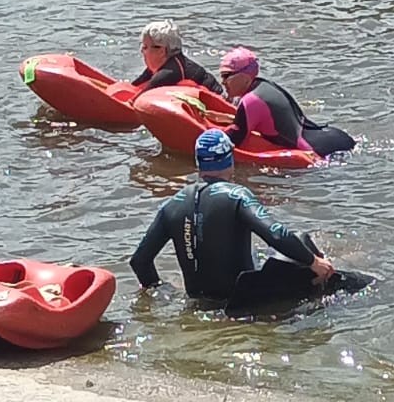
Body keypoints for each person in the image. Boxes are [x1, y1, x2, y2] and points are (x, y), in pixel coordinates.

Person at [129, 129, 335, 302]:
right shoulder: (237, 195)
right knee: (301, 241)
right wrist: (313, 262)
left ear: (199, 163)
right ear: (229, 159)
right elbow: (276, 233)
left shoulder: (172, 205)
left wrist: (161, 292)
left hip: (199, 301)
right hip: (241, 299)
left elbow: (139, 261)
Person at [219, 47, 355, 158]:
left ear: (244, 77)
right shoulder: (264, 86)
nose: (222, 82)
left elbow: (234, 140)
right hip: (331, 136)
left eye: (226, 76)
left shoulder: (251, 101)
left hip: (317, 151)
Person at [131, 20, 225, 95]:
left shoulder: (168, 73)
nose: (142, 51)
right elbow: (134, 86)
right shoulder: (164, 66)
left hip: (218, 100)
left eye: (145, 47)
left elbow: (136, 100)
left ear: (161, 51)